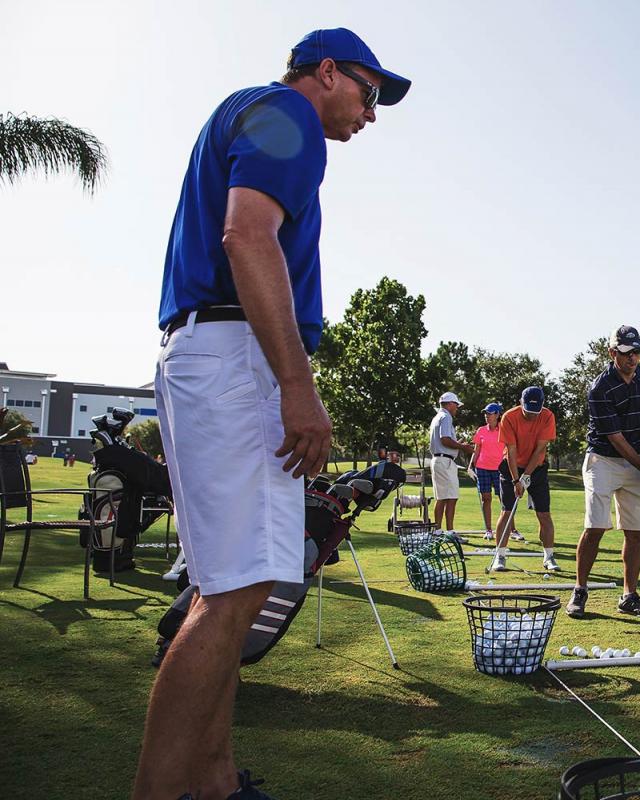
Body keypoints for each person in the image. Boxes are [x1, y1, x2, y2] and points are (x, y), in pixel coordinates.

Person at [136, 28, 410, 800]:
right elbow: (246, 234)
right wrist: (298, 384)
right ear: (327, 72)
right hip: (235, 355)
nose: (372, 112)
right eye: (369, 91)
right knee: (236, 596)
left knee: (235, 584)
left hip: (210, 351)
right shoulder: (288, 117)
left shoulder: (251, 113)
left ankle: (215, 783)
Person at [567, 325, 640, 619]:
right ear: (612, 353)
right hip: (602, 460)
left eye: (636, 352)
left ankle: (629, 596)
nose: (632, 358)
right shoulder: (600, 388)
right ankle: (580, 590)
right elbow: (616, 438)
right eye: (626, 353)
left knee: (635, 532)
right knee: (596, 527)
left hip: (636, 461)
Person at [491, 386, 558, 571]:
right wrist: (516, 480)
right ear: (521, 402)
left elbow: (540, 450)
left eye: (535, 411)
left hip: (536, 468)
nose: (532, 415)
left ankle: (549, 557)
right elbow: (511, 451)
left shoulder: (547, 416)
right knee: (507, 512)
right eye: (528, 410)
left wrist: (526, 476)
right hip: (511, 467)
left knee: (544, 514)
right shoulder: (509, 417)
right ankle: (500, 556)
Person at [429, 391, 474, 532]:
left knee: (441, 497)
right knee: (451, 497)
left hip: (439, 460)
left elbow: (444, 441)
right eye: (456, 405)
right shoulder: (446, 417)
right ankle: (449, 532)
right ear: (449, 404)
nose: (457, 408)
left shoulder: (437, 417)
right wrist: (463, 447)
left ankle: (438, 531)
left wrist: (458, 444)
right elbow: (445, 439)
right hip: (444, 462)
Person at [467, 402, 507, 539]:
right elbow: (477, 450)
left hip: (500, 469)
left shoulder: (504, 429)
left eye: (489, 413)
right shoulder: (481, 431)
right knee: (486, 498)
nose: (486, 416)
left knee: (505, 500)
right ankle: (488, 530)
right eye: (485, 413)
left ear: (497, 415)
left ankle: (511, 529)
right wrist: (470, 465)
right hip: (482, 468)